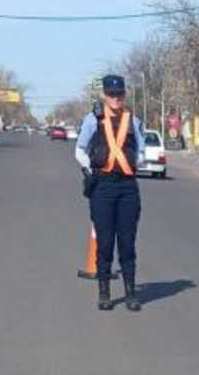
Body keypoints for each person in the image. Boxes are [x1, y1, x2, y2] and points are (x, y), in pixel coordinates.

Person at [74, 74, 146, 311]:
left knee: (127, 243)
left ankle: (131, 293)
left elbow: (142, 150)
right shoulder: (93, 119)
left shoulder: (133, 120)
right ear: (104, 95)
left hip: (127, 187)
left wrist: (136, 161)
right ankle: (104, 292)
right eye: (112, 94)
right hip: (102, 186)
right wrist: (90, 169)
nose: (116, 98)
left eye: (120, 94)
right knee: (105, 243)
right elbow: (80, 150)